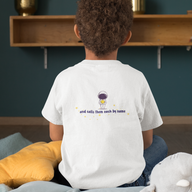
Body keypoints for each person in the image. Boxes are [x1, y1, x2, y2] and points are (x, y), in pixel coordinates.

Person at [42, 0, 168, 190]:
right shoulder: (137, 78)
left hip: (75, 180)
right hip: (128, 182)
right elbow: (147, 141)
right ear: (127, 37)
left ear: (77, 31)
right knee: (159, 144)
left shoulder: (64, 78)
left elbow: (55, 136)